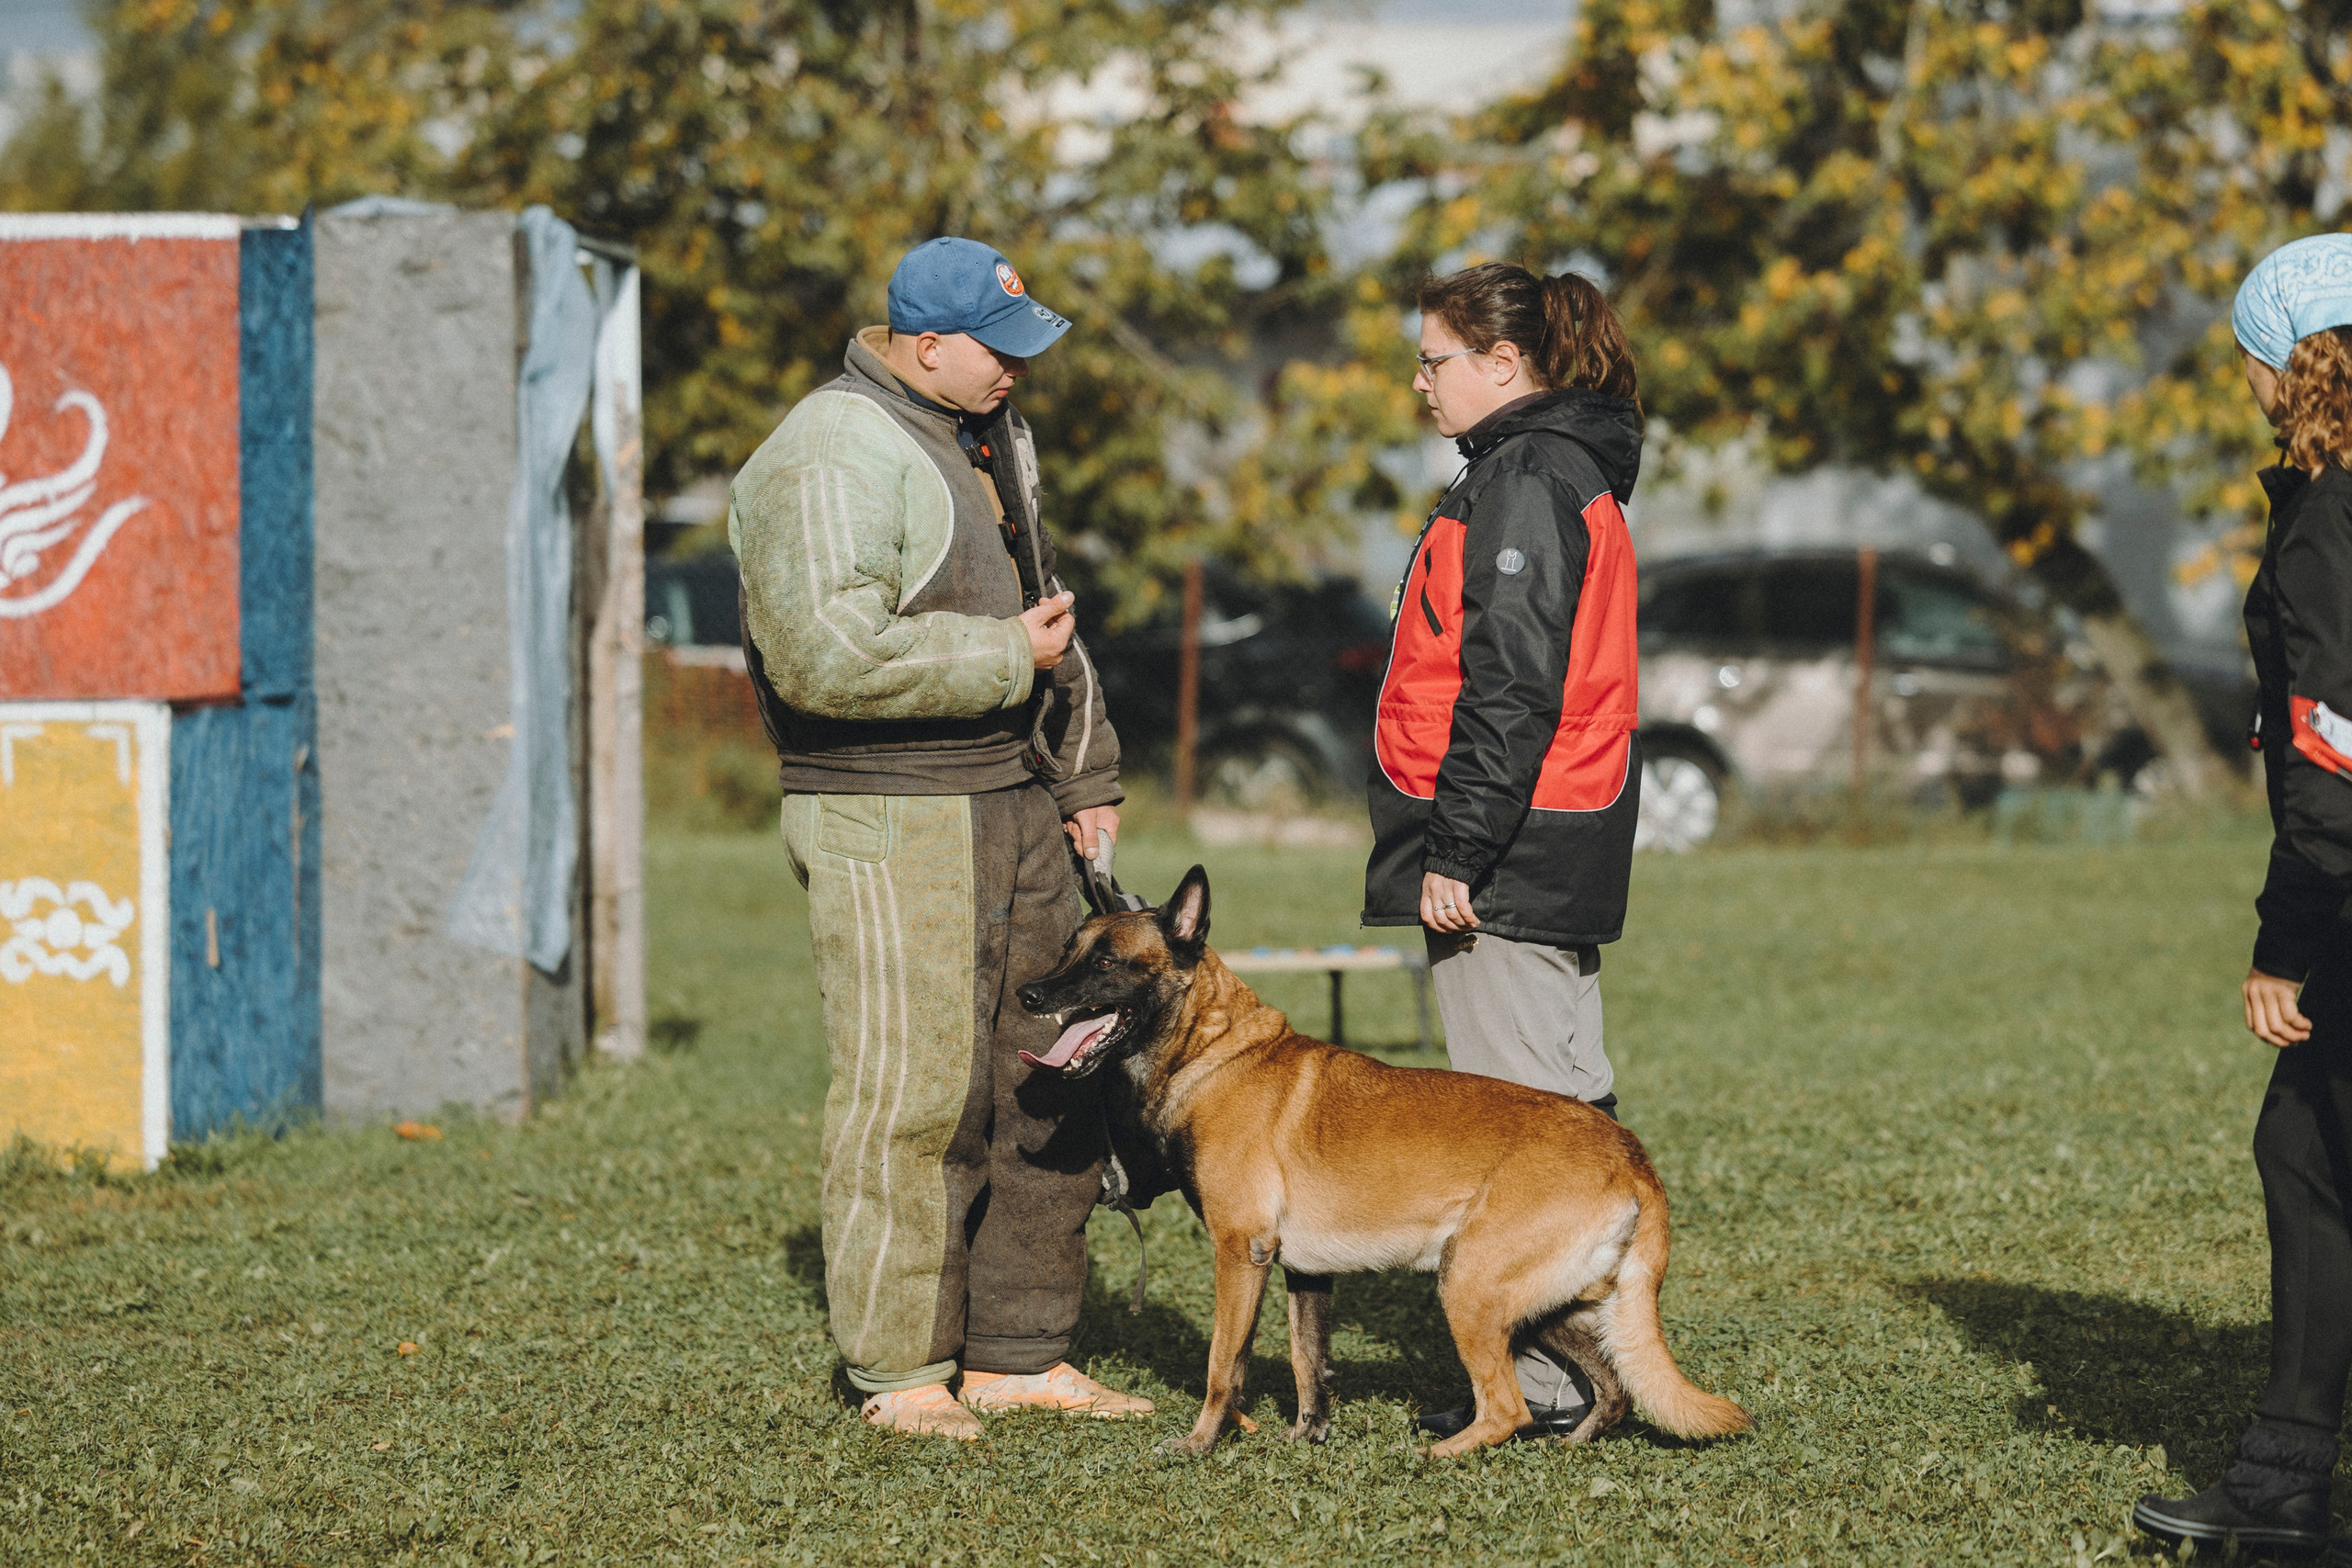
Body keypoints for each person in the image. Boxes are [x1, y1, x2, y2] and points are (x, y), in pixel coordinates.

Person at [730, 237, 1152, 1440]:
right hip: (890, 810)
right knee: (913, 1089)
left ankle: (1021, 1352)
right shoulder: (825, 452)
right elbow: (824, 655)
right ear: (925, 347)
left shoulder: (984, 437)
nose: (1022, 369)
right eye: (999, 348)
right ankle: (901, 1368)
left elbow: (1049, 621)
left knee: (1048, 1076)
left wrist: (1086, 773)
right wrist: (998, 658)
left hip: (1013, 801)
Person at [1360, 261, 1645, 1440]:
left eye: (1434, 359)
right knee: (1568, 1105)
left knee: (1519, 1124)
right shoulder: (1548, 470)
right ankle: (1598, 1365)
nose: (1419, 381)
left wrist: (1458, 850)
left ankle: (1542, 1381)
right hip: (1559, 836)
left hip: (1513, 851)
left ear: (1503, 364)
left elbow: (1509, 685)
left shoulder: (1525, 479)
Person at [2134, 234, 2352, 1558]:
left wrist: (2286, 944)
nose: (2248, 387)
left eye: (2247, 361)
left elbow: (2331, 758)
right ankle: (2281, 1481)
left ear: (2284, 359)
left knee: (2311, 1152)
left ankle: (2280, 1493)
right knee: (2310, 1148)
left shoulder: (2329, 517)